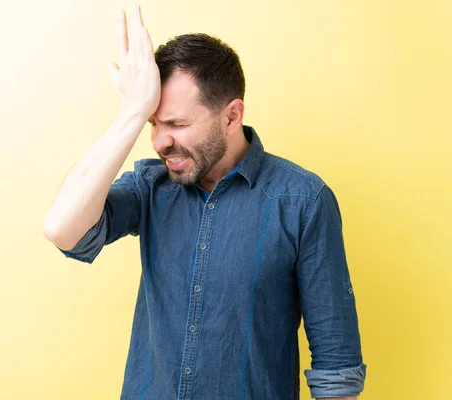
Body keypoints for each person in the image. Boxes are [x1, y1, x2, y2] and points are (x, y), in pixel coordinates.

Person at [43, 4, 366, 400]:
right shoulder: (150, 186)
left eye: (177, 124)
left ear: (232, 117)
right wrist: (130, 112)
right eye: (153, 123)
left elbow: (337, 370)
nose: (161, 141)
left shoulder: (302, 201)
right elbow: (62, 230)